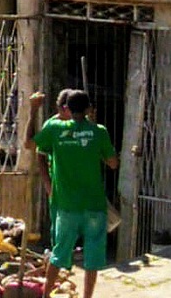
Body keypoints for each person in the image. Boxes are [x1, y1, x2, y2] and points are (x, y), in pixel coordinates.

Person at [25, 89, 118, 298]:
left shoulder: (55, 129)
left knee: (59, 253)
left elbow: (29, 144)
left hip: (66, 206)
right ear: (88, 109)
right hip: (94, 205)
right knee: (92, 257)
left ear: (66, 108)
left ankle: (46, 294)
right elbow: (113, 163)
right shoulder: (99, 131)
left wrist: (32, 111)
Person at [29, 88, 73, 247]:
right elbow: (39, 154)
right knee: (60, 224)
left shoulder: (80, 124)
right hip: (59, 183)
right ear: (63, 108)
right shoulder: (52, 125)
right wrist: (48, 184)